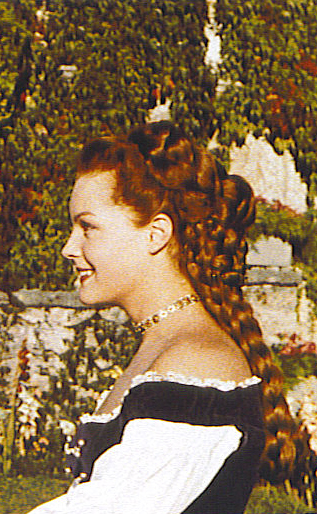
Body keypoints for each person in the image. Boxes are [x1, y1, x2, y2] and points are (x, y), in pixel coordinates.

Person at [29, 121, 309, 514]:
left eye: (87, 227)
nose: (69, 248)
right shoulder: (166, 348)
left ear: (156, 234)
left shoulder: (196, 363)